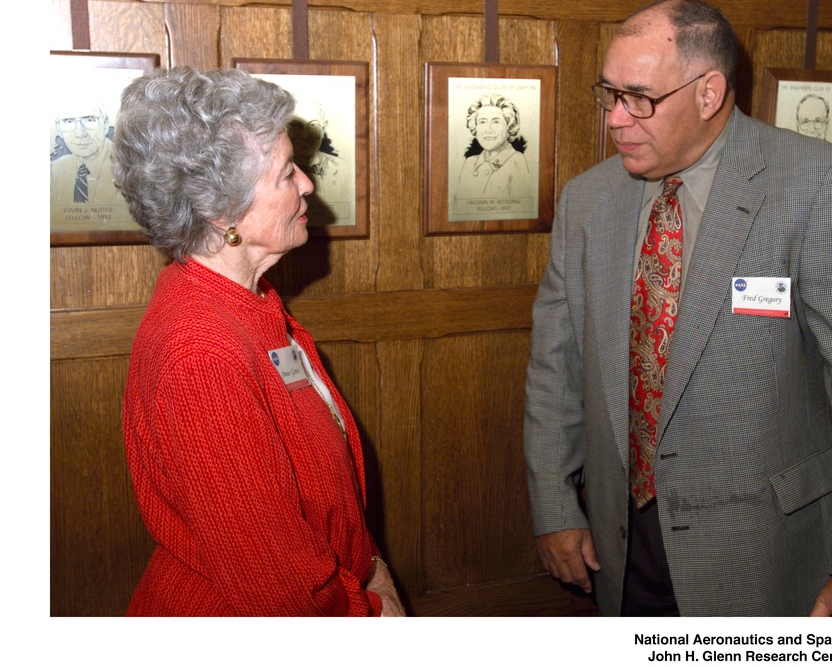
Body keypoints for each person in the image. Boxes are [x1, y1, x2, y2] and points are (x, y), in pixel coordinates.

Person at [523, 0, 832, 617]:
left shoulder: (817, 186)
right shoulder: (586, 201)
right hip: (622, 547)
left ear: (708, 93)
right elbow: (557, 370)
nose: (616, 119)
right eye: (610, 94)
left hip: (766, 553)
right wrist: (555, 506)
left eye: (639, 98)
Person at [113, 67, 404, 616]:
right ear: (222, 211)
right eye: (286, 173)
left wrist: (371, 567)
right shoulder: (199, 357)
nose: (308, 185)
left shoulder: (248, 303)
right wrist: (372, 610)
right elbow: (281, 593)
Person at [454, 93, 531, 200]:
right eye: (482, 122)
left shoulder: (517, 161)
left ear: (509, 126)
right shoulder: (469, 163)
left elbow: (522, 205)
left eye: (496, 122)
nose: (488, 129)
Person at [51, 97, 118, 206]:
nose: (80, 133)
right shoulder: (53, 171)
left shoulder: (128, 165)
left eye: (89, 120)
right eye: (69, 121)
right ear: (58, 128)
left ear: (105, 123)